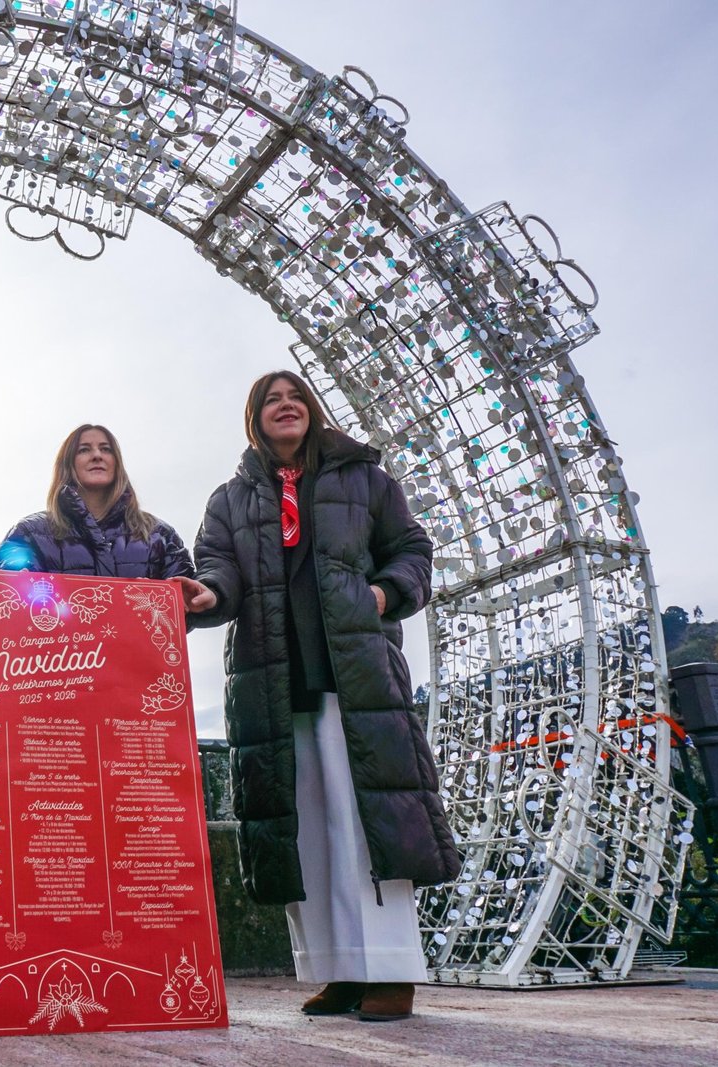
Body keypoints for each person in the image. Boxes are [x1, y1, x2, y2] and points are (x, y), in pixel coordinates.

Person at [191, 370, 459, 1022]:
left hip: (357, 678)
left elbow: (412, 549)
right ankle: (339, 969)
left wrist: (382, 593)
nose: (285, 406)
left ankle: (391, 971)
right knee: (306, 830)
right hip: (276, 686)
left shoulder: (366, 479)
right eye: (269, 401)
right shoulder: (231, 498)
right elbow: (218, 569)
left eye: (295, 397)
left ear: (312, 411)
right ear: (255, 421)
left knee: (371, 822)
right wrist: (205, 595)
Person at [0, 424, 215, 614]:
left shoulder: (159, 534)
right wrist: (14, 584)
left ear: (117, 462)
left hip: (140, 659)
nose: (97, 455)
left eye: (106, 449)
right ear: (67, 464)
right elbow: (9, 587)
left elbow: (187, 607)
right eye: (84, 449)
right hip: (63, 658)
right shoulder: (30, 532)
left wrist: (176, 600)